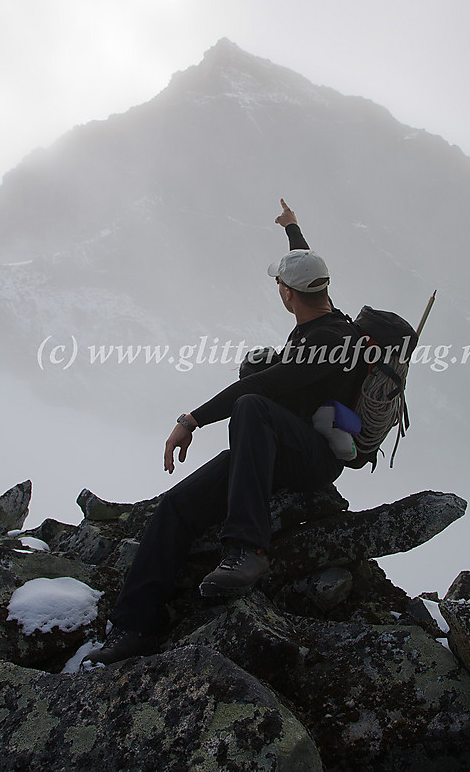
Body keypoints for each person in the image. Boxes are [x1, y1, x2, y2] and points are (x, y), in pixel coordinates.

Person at [84, 199, 365, 666]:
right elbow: (305, 266)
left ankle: (247, 550)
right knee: (176, 506)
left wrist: (190, 419)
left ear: (286, 295)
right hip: (273, 448)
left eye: (281, 284)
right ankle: (134, 626)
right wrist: (293, 230)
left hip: (313, 458)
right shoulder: (329, 314)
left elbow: (264, 385)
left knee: (253, 399)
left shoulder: (326, 345)